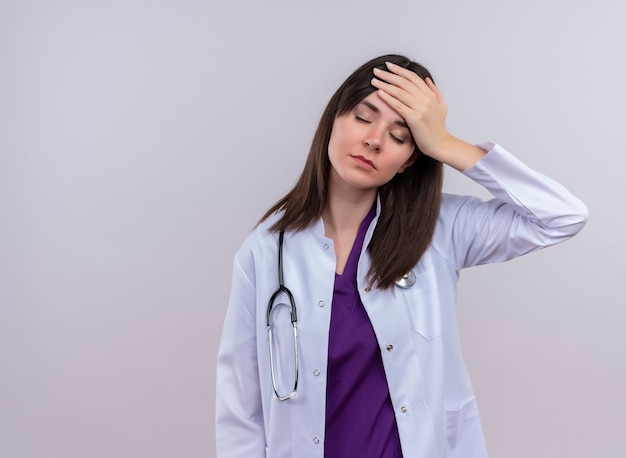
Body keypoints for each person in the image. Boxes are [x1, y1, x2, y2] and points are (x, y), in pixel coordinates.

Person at [215, 54, 588, 458]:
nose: (374, 140)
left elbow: (563, 217)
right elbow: (240, 408)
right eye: (363, 116)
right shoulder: (267, 251)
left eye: (400, 135)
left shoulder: (440, 232)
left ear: (411, 158)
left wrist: (445, 143)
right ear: (334, 119)